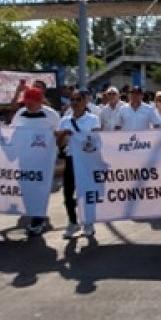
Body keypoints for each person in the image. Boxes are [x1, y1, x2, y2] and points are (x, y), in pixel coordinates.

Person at [4, 87, 61, 236]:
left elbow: (60, 135)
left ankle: (38, 219)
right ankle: (34, 213)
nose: (27, 105)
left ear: (40, 101)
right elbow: (11, 132)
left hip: (44, 159)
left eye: (31, 102)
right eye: (26, 102)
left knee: (41, 188)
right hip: (25, 159)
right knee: (26, 188)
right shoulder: (20, 114)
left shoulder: (52, 115)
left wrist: (57, 136)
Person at [56, 89, 101, 239]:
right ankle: (72, 221)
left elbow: (95, 138)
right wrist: (62, 134)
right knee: (68, 192)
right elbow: (59, 144)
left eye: (78, 100)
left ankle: (88, 222)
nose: (75, 103)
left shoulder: (93, 119)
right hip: (71, 158)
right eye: (72, 100)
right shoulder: (65, 120)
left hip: (88, 160)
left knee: (87, 192)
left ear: (85, 101)